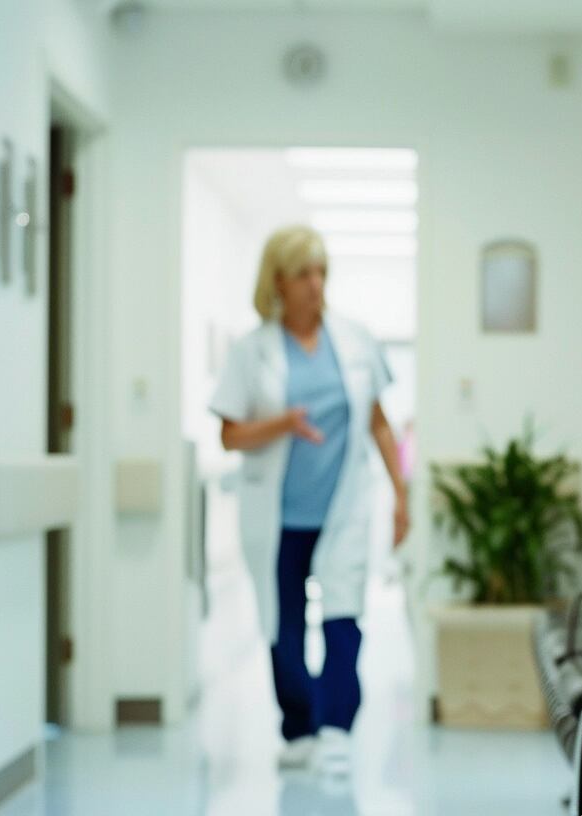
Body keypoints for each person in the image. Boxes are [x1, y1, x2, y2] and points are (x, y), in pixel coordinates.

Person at [210, 225, 409, 772]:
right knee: (284, 624)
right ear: (278, 281)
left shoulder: (355, 338)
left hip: (342, 509)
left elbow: (379, 423)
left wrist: (401, 493)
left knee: (345, 616)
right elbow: (229, 434)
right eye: (303, 274)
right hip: (279, 518)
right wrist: (282, 424)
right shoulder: (252, 351)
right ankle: (298, 726)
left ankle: (337, 727)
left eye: (321, 272)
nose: (315, 284)